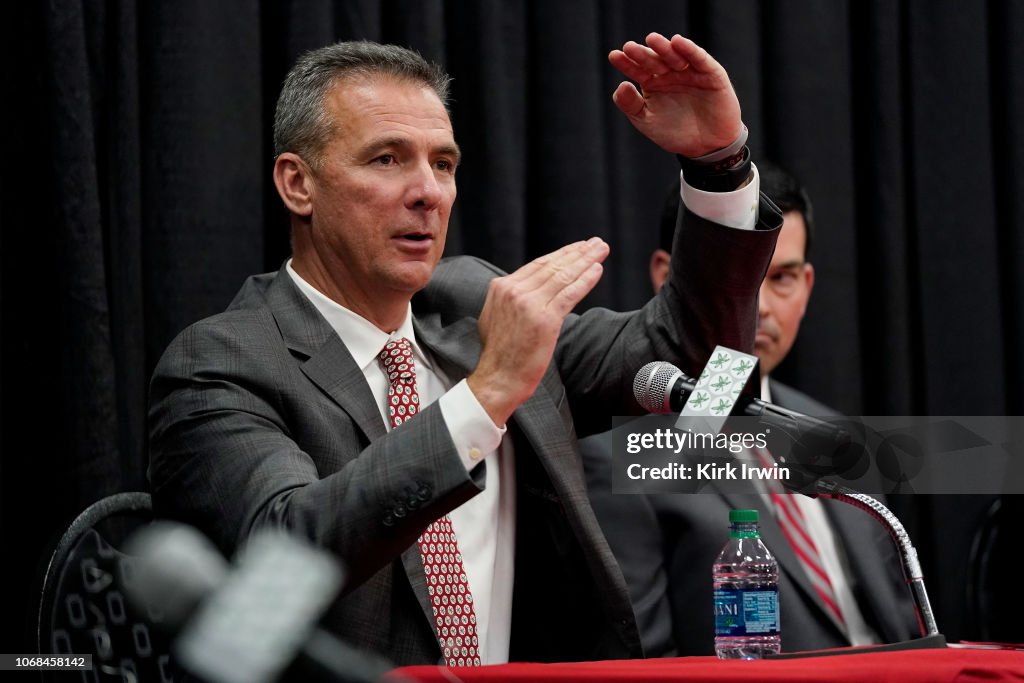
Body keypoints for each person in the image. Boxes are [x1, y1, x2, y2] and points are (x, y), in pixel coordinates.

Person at [148, 33, 781, 666]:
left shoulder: (472, 307)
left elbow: (703, 365)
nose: (429, 192)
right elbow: (282, 556)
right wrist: (486, 396)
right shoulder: (222, 363)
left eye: (443, 164)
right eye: (387, 160)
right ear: (298, 184)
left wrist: (717, 164)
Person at [581, 160, 920, 656]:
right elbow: (643, 663)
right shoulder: (619, 456)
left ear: (805, 286)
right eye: (743, 279)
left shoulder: (838, 433)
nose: (760, 305)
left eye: (781, 277)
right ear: (666, 278)